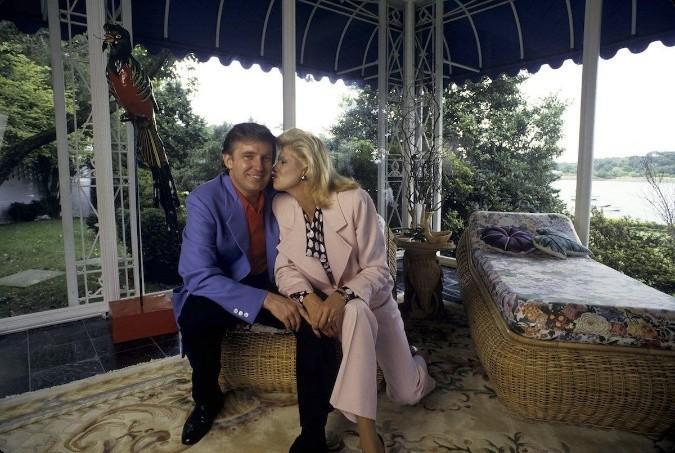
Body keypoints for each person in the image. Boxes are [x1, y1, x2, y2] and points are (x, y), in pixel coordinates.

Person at [271, 128, 436, 453]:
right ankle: (368, 436)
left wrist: (342, 296)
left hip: (373, 304)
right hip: (329, 309)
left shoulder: (354, 200)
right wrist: (309, 300)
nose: (273, 167)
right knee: (354, 311)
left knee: (407, 393)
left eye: (282, 160)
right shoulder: (282, 205)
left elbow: (380, 271)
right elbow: (285, 268)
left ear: (306, 166)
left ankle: (418, 360)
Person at [172, 123, 333, 448]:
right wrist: (264, 300)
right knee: (195, 317)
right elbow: (197, 274)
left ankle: (313, 433)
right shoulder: (205, 199)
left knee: (315, 323)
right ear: (228, 160)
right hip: (220, 286)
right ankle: (206, 401)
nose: (258, 166)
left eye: (266, 157)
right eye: (247, 156)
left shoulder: (279, 192)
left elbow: (318, 196)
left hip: (274, 279)